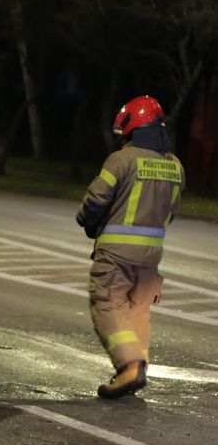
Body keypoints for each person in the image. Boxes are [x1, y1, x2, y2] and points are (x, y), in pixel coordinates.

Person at [76, 95, 183, 399]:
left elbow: (96, 201)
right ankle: (137, 368)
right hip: (151, 258)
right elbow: (171, 212)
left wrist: (87, 221)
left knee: (107, 305)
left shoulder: (121, 159)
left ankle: (129, 365)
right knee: (138, 311)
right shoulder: (175, 165)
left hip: (116, 254)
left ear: (131, 126)